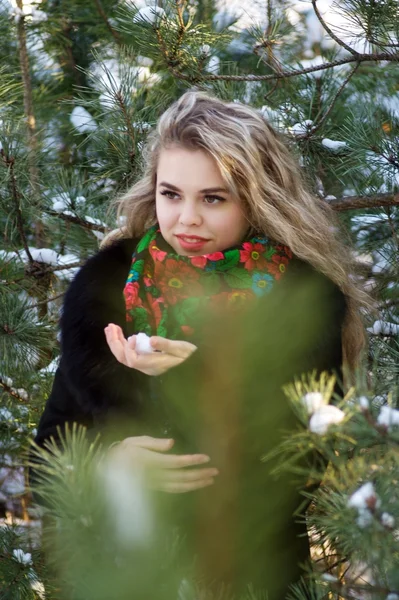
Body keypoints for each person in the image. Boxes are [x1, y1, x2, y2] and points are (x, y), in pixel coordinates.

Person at [30, 90, 372, 598]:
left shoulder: (301, 302)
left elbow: (305, 465)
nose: (186, 218)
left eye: (213, 198)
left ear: (255, 200)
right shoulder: (109, 291)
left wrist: (193, 375)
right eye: (171, 194)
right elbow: (48, 456)